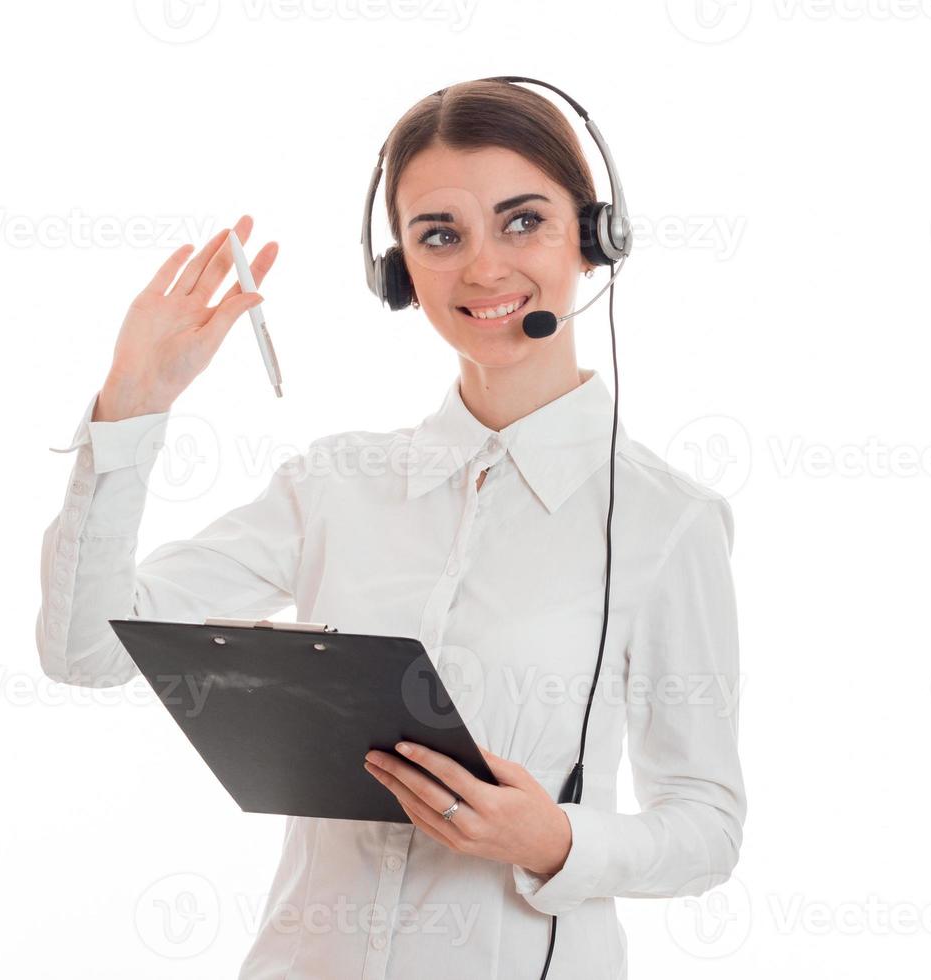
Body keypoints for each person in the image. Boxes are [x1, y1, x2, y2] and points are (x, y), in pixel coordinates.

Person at [37, 78, 745, 980]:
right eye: (439, 235)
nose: (483, 269)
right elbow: (84, 652)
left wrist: (558, 840)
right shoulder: (334, 486)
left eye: (522, 221)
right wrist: (131, 406)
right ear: (398, 270)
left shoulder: (665, 521)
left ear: (597, 236)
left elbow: (707, 827)